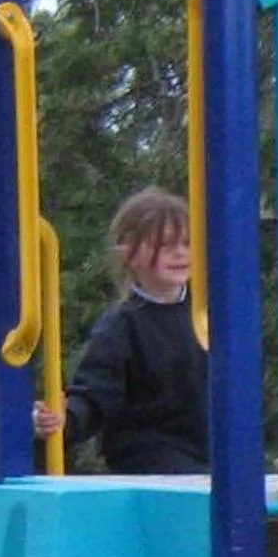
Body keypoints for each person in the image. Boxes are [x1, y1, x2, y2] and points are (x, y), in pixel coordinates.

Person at [31, 187, 208, 475]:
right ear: (128, 253)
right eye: (164, 245)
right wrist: (65, 419)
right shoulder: (122, 326)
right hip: (150, 460)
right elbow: (93, 394)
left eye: (187, 243)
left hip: (209, 453)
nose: (180, 253)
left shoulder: (208, 314)